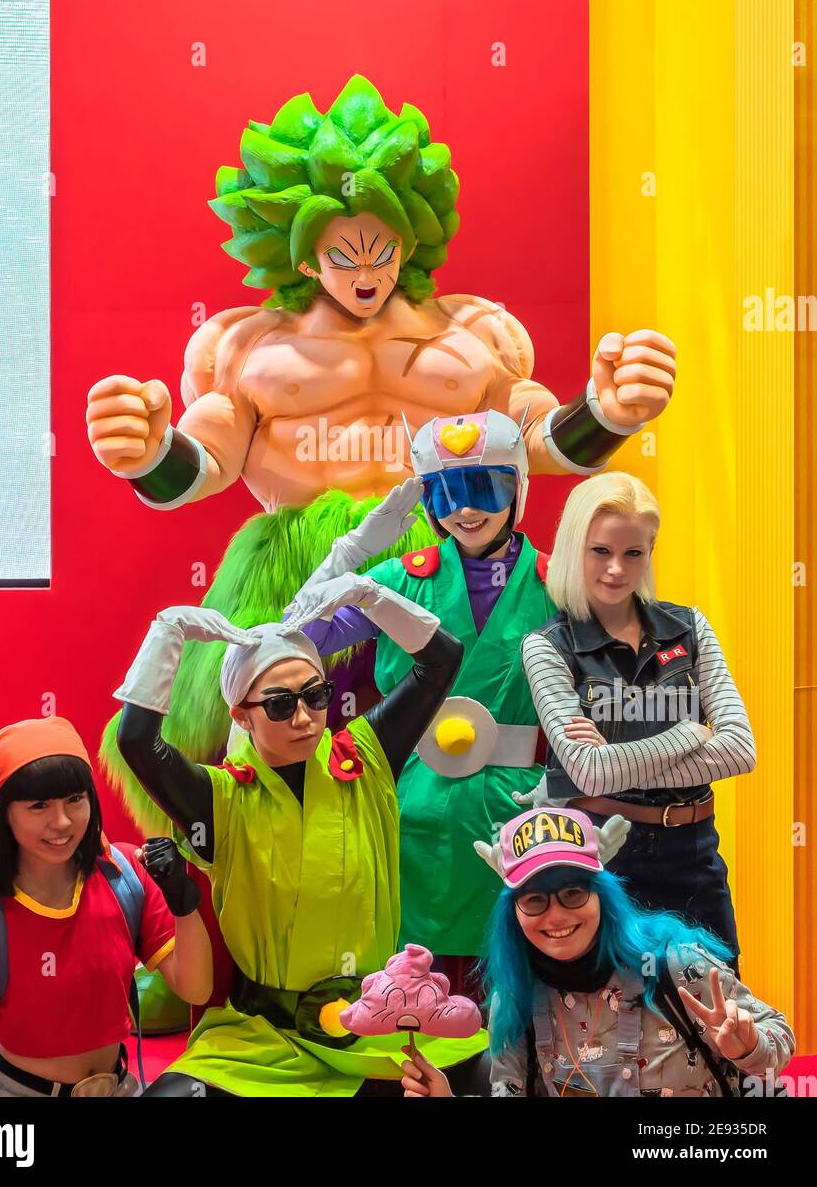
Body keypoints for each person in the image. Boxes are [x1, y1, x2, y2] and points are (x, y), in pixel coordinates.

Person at [87, 73, 678, 835]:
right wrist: (147, 453)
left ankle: (482, 928)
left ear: (411, 235)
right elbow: (208, 457)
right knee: (263, 772)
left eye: (381, 249)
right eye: (342, 254)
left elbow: (532, 440)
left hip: (446, 563)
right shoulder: (247, 347)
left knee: (469, 750)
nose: (366, 274)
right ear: (301, 258)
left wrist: (604, 412)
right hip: (297, 569)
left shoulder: (471, 336)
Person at [113, 580, 489, 1096]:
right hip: (264, 1038)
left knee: (491, 1078)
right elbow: (136, 740)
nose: (304, 717)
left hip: (377, 1025)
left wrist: (370, 596)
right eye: (279, 704)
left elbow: (441, 660)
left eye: (316, 696)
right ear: (240, 715)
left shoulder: (367, 757)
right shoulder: (219, 798)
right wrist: (167, 634)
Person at [288, 410, 554, 982]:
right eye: (448, 490)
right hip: (408, 813)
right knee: (411, 989)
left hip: (521, 815)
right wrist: (351, 552)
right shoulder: (402, 577)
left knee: (512, 980)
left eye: (486, 485)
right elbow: (296, 631)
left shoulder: (558, 584)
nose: (466, 508)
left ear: (519, 487)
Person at [518, 473, 755, 959]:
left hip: (696, 851)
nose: (616, 570)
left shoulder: (690, 627)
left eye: (633, 553)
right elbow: (585, 770)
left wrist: (617, 755)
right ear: (572, 548)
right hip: (605, 855)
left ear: (650, 553)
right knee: (616, 1018)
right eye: (600, 551)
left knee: (717, 1010)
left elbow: (739, 749)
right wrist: (689, 732)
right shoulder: (546, 647)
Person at [400, 807, 793, 1098]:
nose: (556, 915)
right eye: (535, 900)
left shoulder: (674, 966)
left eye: (573, 892)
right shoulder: (516, 994)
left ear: (602, 897)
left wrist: (749, 1047)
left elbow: (780, 1039)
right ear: (514, 914)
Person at [0, 716, 212, 1098]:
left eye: (75, 799)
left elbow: (196, 988)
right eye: (38, 805)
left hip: (115, 1088)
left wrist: (183, 900)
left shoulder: (125, 877)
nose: (62, 822)